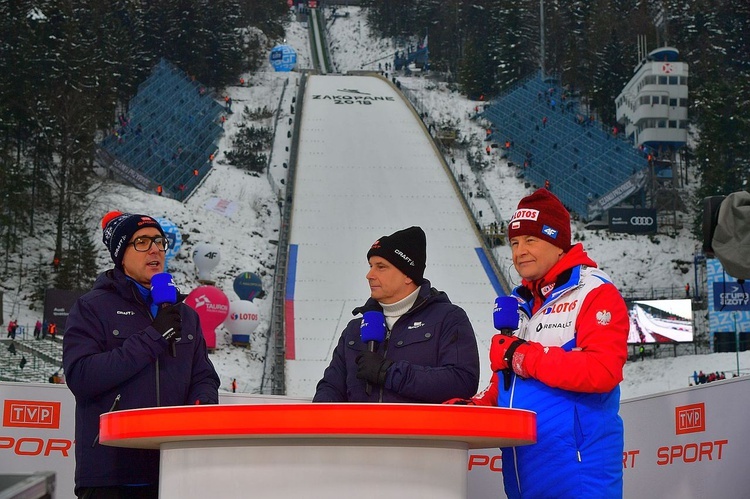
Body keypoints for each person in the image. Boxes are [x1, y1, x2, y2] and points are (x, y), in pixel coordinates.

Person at [445, 189, 629, 498]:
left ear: (558, 244)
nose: (519, 252)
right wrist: (475, 408)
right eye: (514, 243)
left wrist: (522, 356)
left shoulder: (594, 292)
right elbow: (506, 385)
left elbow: (603, 369)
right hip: (524, 475)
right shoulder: (520, 303)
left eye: (531, 240)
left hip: (578, 476)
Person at [63, 211, 220, 499]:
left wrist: (202, 405)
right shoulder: (92, 308)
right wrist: (153, 337)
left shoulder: (185, 314)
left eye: (159, 241)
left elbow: (204, 376)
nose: (156, 249)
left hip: (175, 472)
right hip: (112, 473)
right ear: (121, 255)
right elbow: (81, 376)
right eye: (142, 242)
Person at [313, 226, 480, 403]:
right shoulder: (355, 329)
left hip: (419, 430)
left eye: (381, 267)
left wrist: (389, 373)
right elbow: (331, 388)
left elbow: (462, 381)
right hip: (360, 430)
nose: (369, 275)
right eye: (371, 266)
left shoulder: (448, 318)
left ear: (408, 275)